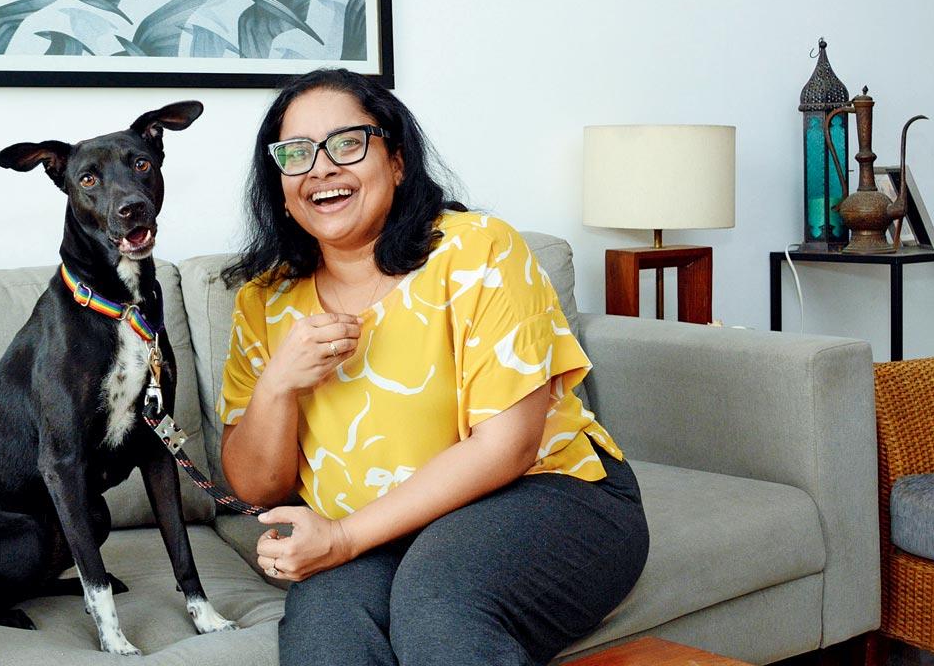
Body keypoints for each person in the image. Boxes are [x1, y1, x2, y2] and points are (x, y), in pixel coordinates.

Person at [216, 68, 649, 666]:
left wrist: (341, 539)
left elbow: (508, 447)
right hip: (381, 534)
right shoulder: (263, 300)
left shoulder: (479, 250)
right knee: (324, 633)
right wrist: (278, 386)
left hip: (550, 494)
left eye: (347, 143)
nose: (321, 168)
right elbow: (255, 487)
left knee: (440, 602)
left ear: (396, 160)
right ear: (281, 186)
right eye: (297, 155)